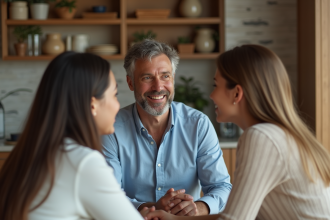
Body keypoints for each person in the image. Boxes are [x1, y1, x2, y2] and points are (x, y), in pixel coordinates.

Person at [144, 44, 330, 220]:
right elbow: (236, 215)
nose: (211, 95)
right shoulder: (278, 134)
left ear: (236, 93)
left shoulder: (261, 137)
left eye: (216, 85)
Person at [0, 52, 155, 220]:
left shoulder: (29, 152)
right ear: (92, 105)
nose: (118, 105)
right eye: (114, 95)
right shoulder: (81, 162)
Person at [102, 39, 232, 216]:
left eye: (165, 76)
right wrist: (152, 208)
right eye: (147, 77)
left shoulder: (198, 124)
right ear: (131, 82)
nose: (158, 87)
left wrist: (197, 209)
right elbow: (109, 197)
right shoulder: (111, 129)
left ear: (173, 78)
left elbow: (221, 187)